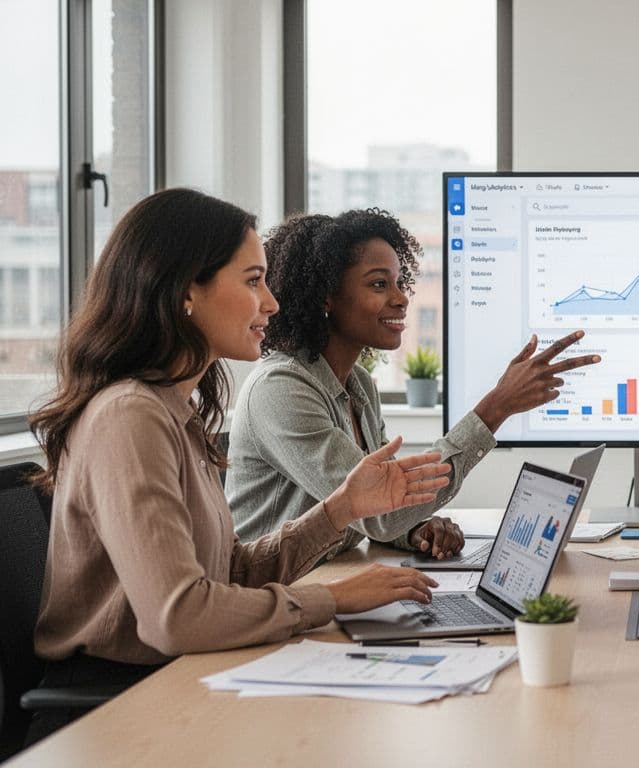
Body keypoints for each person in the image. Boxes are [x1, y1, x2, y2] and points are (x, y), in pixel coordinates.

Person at [27, 189, 447, 736]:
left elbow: (230, 575)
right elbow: (179, 616)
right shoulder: (129, 416)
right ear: (186, 292)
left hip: (179, 679)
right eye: (253, 281)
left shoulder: (175, 411)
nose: (271, 303)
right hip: (118, 712)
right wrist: (330, 599)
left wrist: (341, 508)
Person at [226, 209, 599, 560]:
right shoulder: (280, 388)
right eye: (379, 284)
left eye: (400, 282)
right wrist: (496, 407)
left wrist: (416, 530)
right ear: (326, 296)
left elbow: (379, 515)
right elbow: (378, 511)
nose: (402, 298)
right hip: (271, 593)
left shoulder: (358, 386)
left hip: (329, 576)